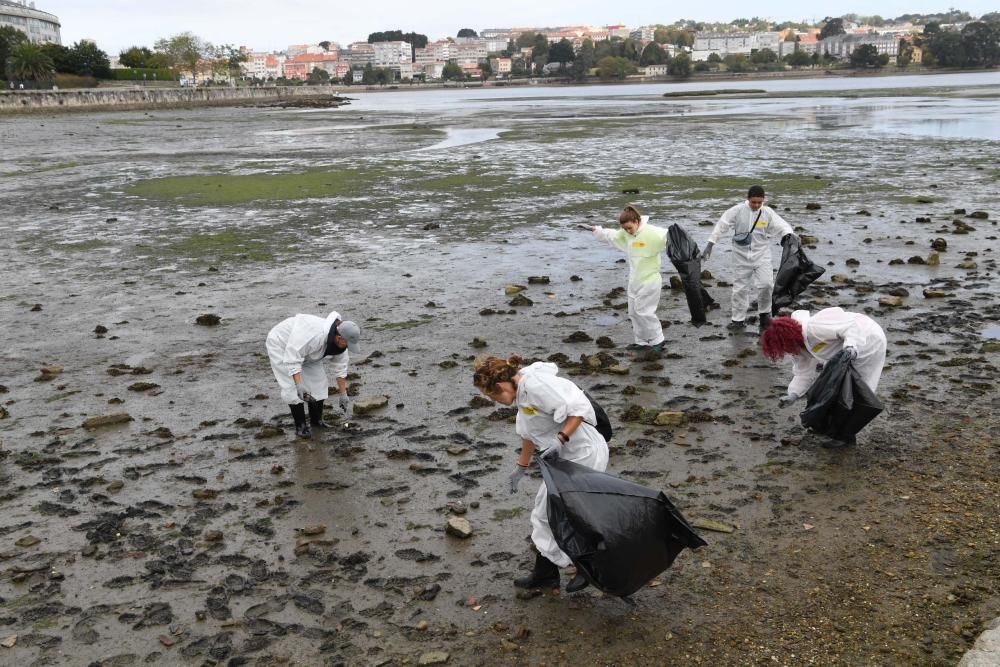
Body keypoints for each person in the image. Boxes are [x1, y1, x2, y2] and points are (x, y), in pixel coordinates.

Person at [473, 355, 609, 593]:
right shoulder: (521, 392)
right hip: (564, 458)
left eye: (492, 396)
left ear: (501, 385)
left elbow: (578, 408)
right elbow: (528, 433)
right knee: (545, 513)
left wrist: (560, 439)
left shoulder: (536, 386)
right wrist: (521, 468)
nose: (493, 401)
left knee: (569, 513)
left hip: (585, 454)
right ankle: (546, 572)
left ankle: (589, 566)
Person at [761, 306, 887, 419]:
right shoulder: (797, 347)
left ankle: (846, 434)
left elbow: (850, 328)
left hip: (868, 338)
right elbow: (803, 373)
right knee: (831, 384)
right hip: (841, 351)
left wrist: (851, 347)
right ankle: (836, 425)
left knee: (857, 387)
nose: (786, 351)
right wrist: (793, 395)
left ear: (789, 339)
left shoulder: (815, 328)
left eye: (784, 347)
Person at [703, 185, 795, 332]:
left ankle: (765, 315)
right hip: (740, 256)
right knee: (740, 289)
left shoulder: (767, 213)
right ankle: (738, 319)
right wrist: (710, 244)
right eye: (754, 202)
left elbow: (781, 226)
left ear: (763, 200)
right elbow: (722, 225)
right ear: (748, 199)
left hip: (762, 255)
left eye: (760, 202)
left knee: (766, 285)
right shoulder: (737, 210)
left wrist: (789, 235)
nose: (757, 205)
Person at [587, 204, 669, 354]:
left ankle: (658, 340)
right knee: (633, 311)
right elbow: (611, 235)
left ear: (637, 221)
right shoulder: (626, 234)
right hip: (635, 279)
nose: (627, 231)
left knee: (644, 311)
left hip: (650, 279)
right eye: (625, 229)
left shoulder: (653, 233)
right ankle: (642, 341)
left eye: (629, 228)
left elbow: (671, 236)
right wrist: (596, 230)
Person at [265, 311, 360, 438]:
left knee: (318, 382)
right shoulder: (315, 335)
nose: (348, 348)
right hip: (282, 344)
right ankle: (301, 426)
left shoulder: (342, 344)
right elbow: (293, 357)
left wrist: (343, 394)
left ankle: (316, 421)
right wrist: (298, 384)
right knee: (292, 385)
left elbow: (340, 368)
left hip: (309, 352)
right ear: (338, 338)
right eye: (348, 344)